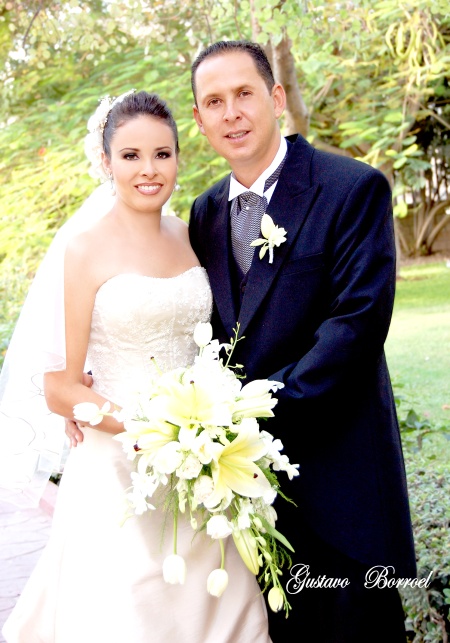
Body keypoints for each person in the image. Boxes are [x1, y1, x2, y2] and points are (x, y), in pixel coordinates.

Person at [1, 90, 271, 643]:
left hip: (203, 466)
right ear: (106, 162)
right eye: (130, 156)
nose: (149, 170)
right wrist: (157, 434)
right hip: (119, 472)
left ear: (178, 158)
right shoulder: (83, 248)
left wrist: (203, 433)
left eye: (162, 154)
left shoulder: (189, 233)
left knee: (219, 611)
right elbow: (60, 386)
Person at [187, 41, 417, 642]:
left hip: (343, 490)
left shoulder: (352, 188)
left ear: (277, 98)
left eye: (244, 93)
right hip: (252, 506)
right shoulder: (203, 214)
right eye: (214, 101)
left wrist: (251, 420)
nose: (232, 112)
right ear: (199, 120)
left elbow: (356, 323)